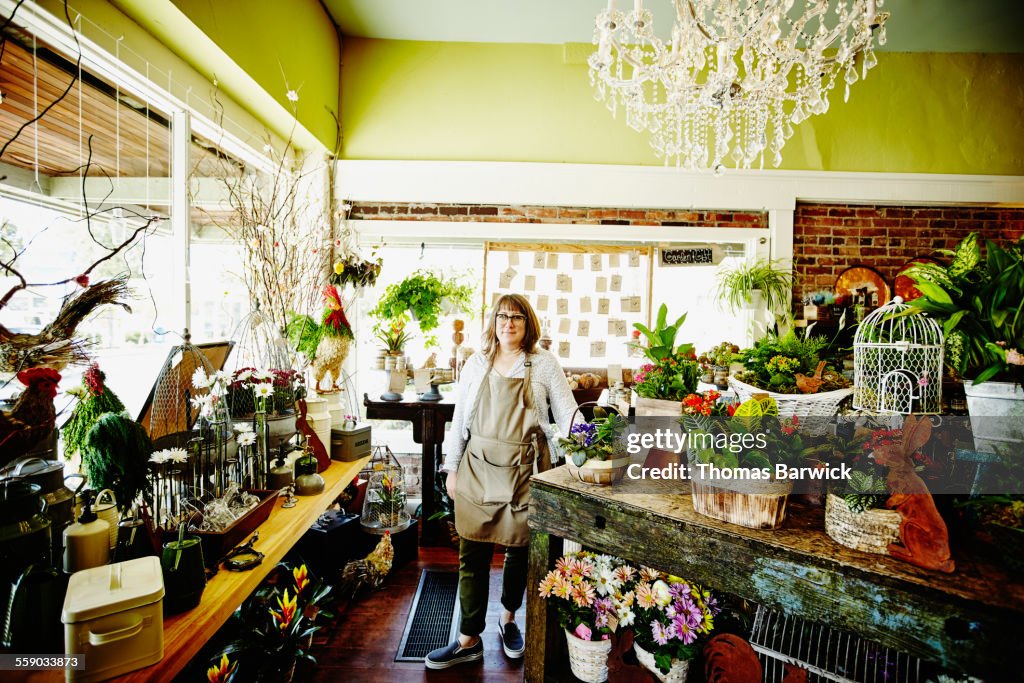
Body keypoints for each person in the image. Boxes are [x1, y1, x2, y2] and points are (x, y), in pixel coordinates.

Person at [425, 293, 577, 670]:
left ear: (528, 324)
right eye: (502, 316)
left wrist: (587, 449)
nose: (508, 323)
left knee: (519, 549)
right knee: (471, 554)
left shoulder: (543, 365)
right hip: (478, 467)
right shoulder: (476, 364)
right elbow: (460, 420)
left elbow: (568, 414)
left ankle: (508, 619)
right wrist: (452, 468)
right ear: (493, 322)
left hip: (527, 472)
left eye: (517, 317)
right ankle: (467, 639)